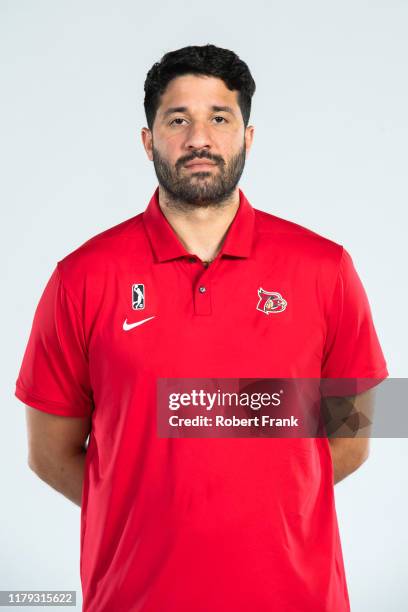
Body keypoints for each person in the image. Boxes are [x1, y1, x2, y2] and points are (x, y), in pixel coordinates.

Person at [14, 44, 388, 611]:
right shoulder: (81, 278)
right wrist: (148, 510)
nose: (199, 138)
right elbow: (49, 454)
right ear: (148, 141)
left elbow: (352, 440)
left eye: (219, 118)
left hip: (297, 598)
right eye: (178, 120)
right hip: (134, 598)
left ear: (248, 137)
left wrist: (267, 503)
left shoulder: (324, 268)